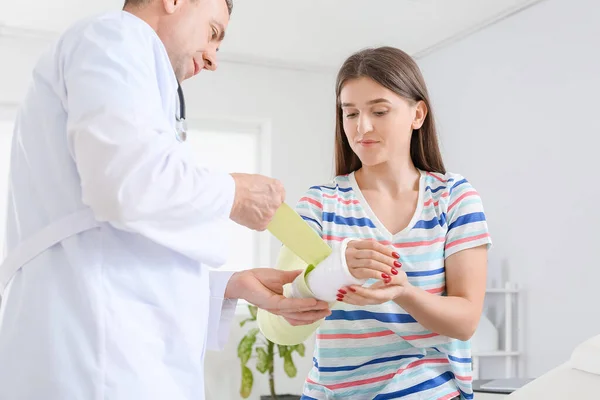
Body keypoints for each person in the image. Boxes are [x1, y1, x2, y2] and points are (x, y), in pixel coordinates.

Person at [0, 0, 330, 399]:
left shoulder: (124, 60)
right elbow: (125, 183)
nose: (212, 60)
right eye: (213, 33)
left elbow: (118, 242)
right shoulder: (113, 37)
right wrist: (235, 193)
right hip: (93, 361)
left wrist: (229, 287)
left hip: (105, 351)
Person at [257, 46, 492, 400]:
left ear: (418, 114)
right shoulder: (320, 206)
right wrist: (331, 273)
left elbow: (465, 320)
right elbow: (275, 326)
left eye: (379, 111)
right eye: (349, 114)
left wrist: (404, 293)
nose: (361, 127)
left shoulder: (453, 198)